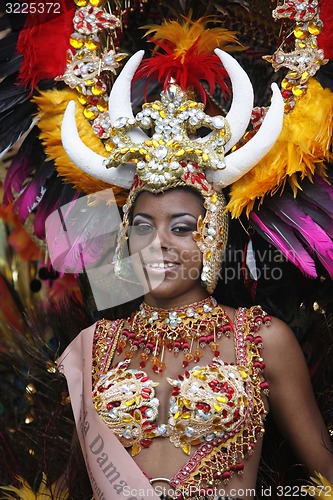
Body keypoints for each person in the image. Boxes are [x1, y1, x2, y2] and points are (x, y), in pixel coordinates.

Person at [56, 23, 333, 500]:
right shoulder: (93, 345)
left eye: (181, 227)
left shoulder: (263, 340)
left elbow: (325, 474)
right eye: (143, 226)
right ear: (125, 237)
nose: (158, 243)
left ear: (214, 238)